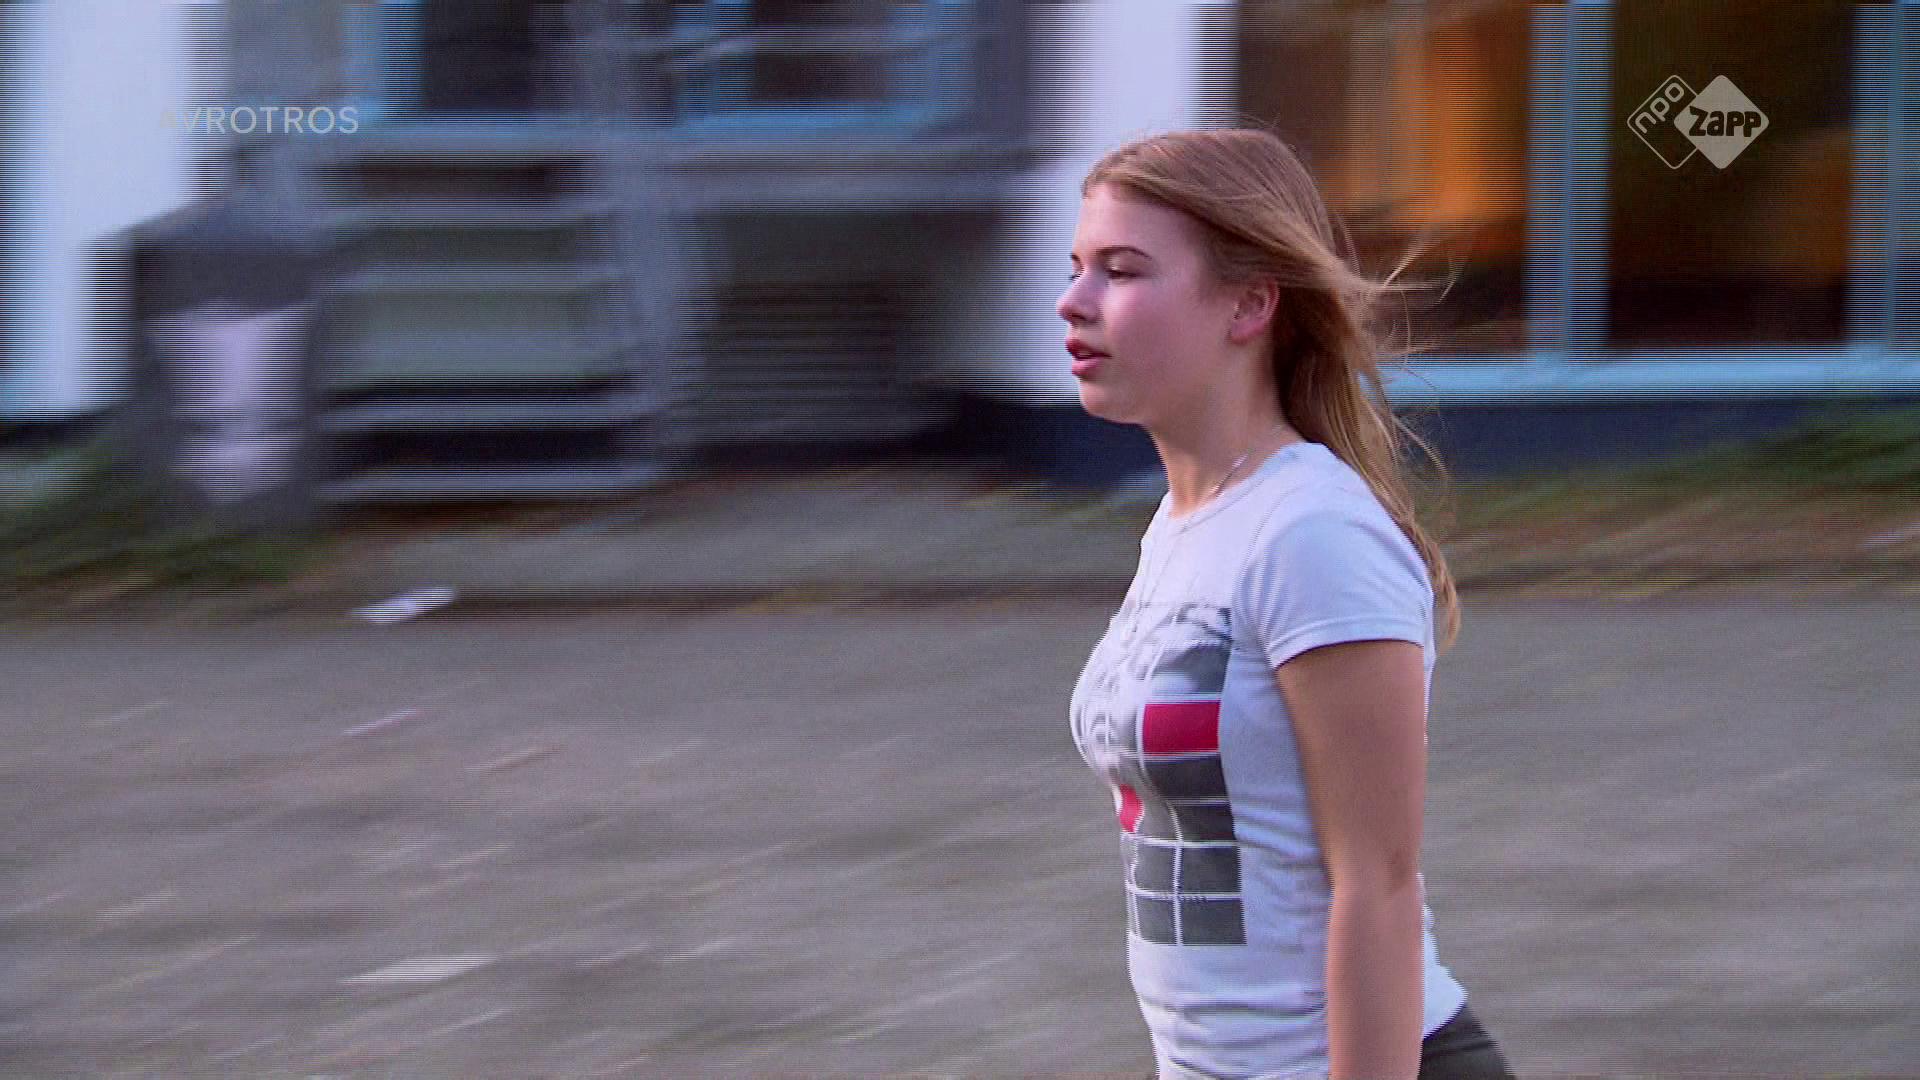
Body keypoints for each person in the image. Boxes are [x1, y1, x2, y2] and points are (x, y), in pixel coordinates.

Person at [1061, 128, 1517, 1080]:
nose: (1075, 301)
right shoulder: (1186, 525)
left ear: (1250, 303)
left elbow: (1379, 886)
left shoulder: (1313, 534)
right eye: (1078, 269)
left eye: (1123, 270)